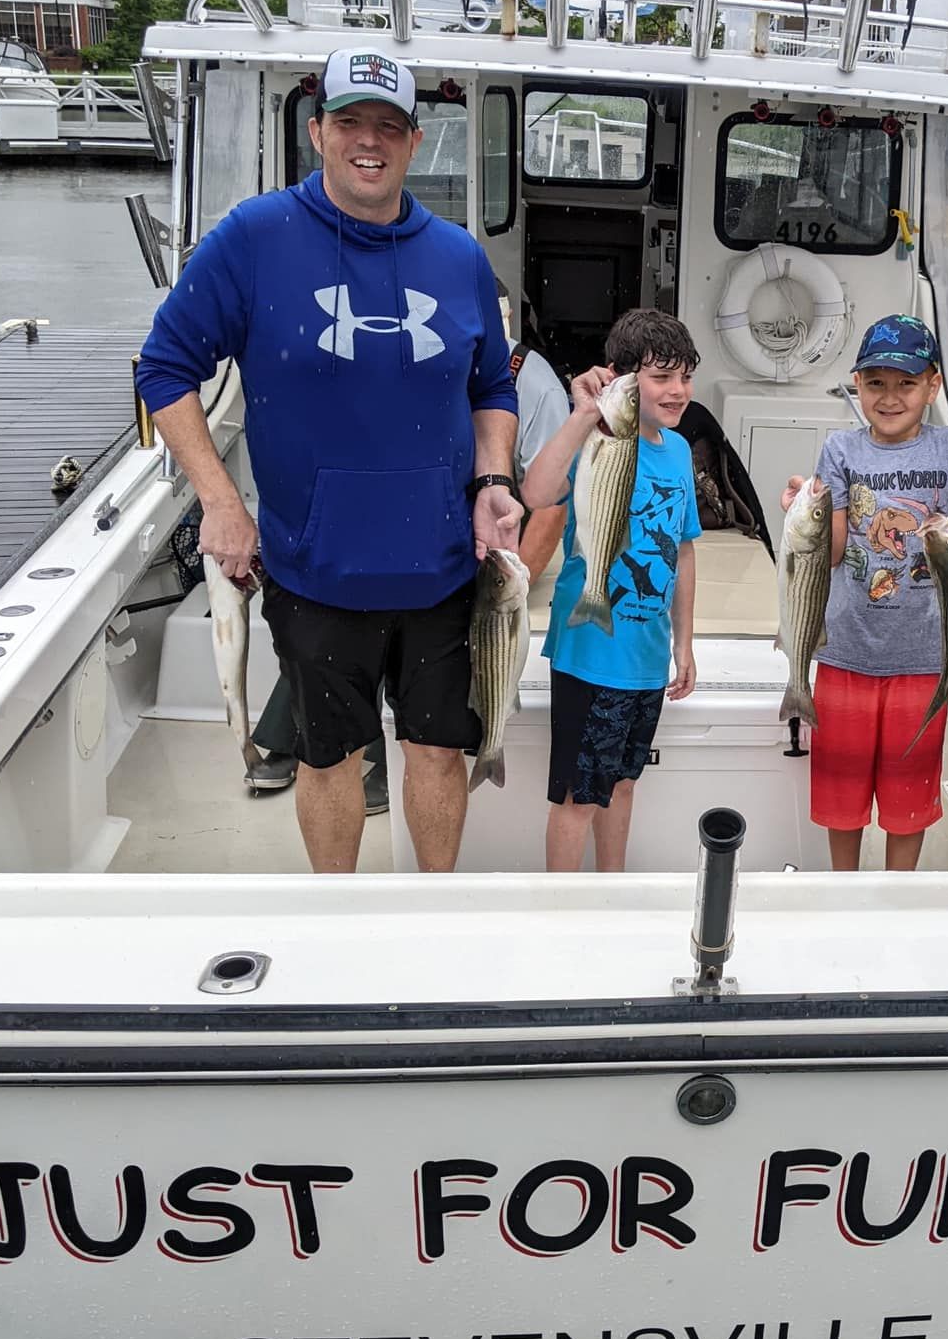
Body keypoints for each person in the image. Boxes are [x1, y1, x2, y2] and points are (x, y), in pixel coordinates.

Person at [135, 46, 523, 873]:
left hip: (445, 569)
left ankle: (431, 905)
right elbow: (163, 367)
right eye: (350, 122)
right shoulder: (252, 238)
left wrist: (493, 479)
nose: (368, 142)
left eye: (389, 125)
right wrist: (220, 501)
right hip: (315, 571)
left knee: (437, 754)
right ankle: (339, 913)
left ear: (417, 143)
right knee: (328, 757)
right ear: (318, 131)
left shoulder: (458, 257)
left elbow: (494, 385)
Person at [245, 273, 571, 811]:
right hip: (414, 536)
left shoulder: (530, 380)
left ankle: (382, 760)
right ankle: (295, 738)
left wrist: (510, 589)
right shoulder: (399, 358)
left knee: (438, 642)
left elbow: (554, 505)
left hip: (497, 551)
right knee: (352, 616)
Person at [781, 316, 948, 873]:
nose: (890, 397)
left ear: (933, 385)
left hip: (924, 657)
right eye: (875, 383)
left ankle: (899, 896)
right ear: (856, 385)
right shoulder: (840, 449)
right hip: (845, 647)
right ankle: (843, 892)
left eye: (905, 383)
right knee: (841, 798)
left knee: (909, 799)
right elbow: (828, 551)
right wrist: (803, 513)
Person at [522, 308, 701, 873]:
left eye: (685, 376)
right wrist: (582, 415)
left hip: (647, 658)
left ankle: (610, 896)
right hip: (590, 654)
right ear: (622, 380)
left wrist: (685, 643)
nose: (677, 391)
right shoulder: (596, 439)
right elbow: (537, 491)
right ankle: (561, 912)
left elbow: (685, 549)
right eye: (661, 377)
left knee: (621, 784)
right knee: (578, 797)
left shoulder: (677, 451)